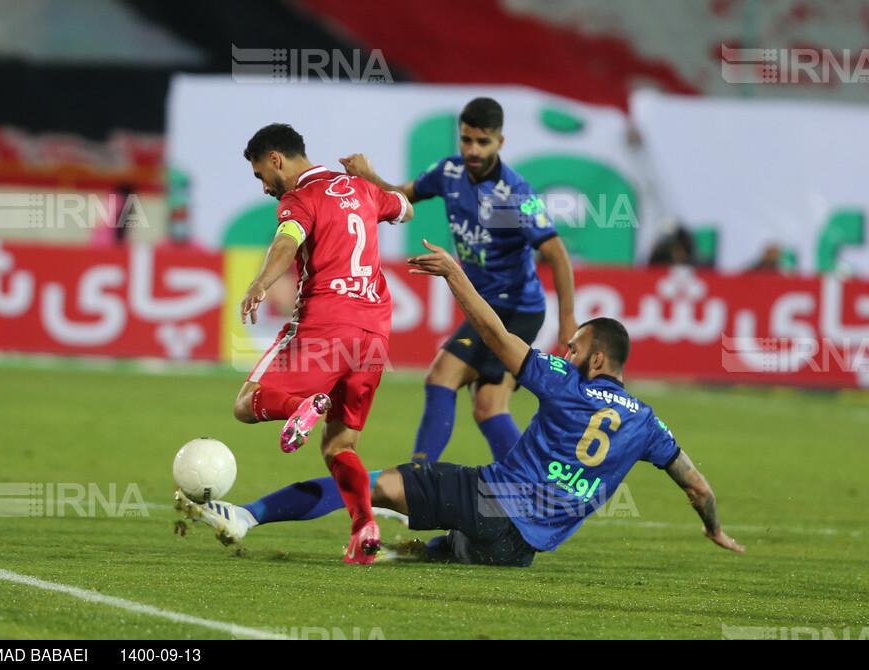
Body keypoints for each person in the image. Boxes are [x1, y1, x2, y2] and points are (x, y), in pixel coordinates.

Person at [175, 239, 744, 566]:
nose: (564, 352)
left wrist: (453, 274)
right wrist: (713, 527)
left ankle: (248, 515)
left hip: (488, 502)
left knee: (365, 478)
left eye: (574, 348)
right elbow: (697, 485)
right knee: (454, 530)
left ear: (597, 360)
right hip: (519, 551)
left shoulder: (567, 383)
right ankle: (411, 550)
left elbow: (497, 336)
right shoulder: (647, 423)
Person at [183, 123, 414, 564]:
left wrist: (260, 283)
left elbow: (286, 245)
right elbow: (405, 209)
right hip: (374, 335)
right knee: (340, 447)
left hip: (326, 325)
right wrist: (371, 176)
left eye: (260, 175)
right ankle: (364, 526)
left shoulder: (299, 199)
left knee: (247, 404)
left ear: (275, 159)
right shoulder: (362, 189)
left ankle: (301, 407)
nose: (265, 187)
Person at [340, 97, 577, 466]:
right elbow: (399, 198)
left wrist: (568, 323)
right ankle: (532, 488)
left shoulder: (515, 194)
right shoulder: (448, 172)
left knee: (440, 378)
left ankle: (417, 477)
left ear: (500, 142)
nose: (472, 149)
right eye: (466, 139)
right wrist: (370, 179)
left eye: (482, 142)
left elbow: (558, 254)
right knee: (488, 407)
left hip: (514, 307)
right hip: (489, 303)